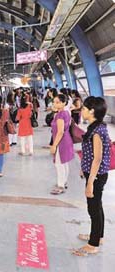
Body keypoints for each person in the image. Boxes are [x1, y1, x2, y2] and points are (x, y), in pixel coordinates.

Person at [73, 97, 111, 256]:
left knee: (93, 209)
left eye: (84, 109)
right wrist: (84, 168)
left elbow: (97, 158)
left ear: (92, 111)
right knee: (97, 207)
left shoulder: (97, 131)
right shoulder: (97, 126)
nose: (81, 111)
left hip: (95, 176)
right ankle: (98, 236)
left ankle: (93, 244)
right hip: (95, 174)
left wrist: (90, 183)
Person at [50, 94, 74, 194]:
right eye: (54, 102)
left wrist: (54, 145)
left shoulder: (60, 115)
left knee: (59, 164)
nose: (55, 104)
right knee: (64, 163)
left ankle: (60, 186)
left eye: (58, 102)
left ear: (64, 103)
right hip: (67, 140)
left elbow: (60, 132)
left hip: (61, 142)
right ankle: (64, 182)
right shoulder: (66, 112)